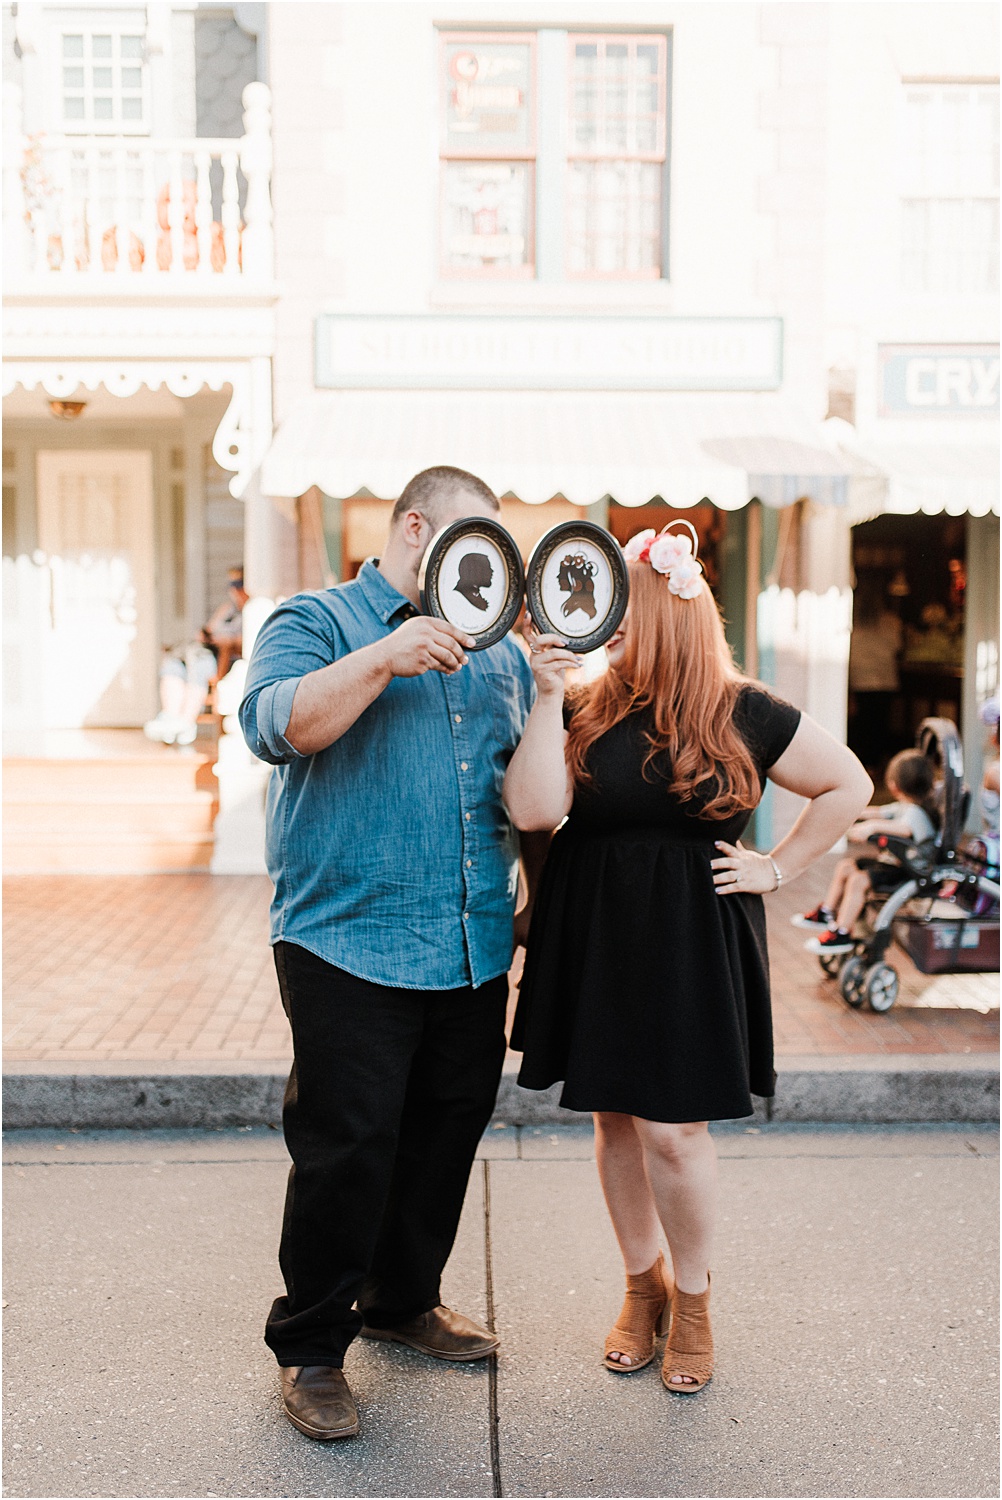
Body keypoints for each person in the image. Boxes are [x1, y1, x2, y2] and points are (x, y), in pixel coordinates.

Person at [502, 524, 871, 1395]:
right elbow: (530, 811)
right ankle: (642, 1287)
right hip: (597, 930)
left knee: (675, 1131)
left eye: (620, 606)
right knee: (615, 1121)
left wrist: (776, 868)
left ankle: (694, 1300)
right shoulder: (584, 702)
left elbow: (848, 783)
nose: (603, 621)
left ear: (668, 612)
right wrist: (548, 695)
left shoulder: (745, 709)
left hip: (690, 940)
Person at [239, 466, 540, 1442]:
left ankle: (403, 1301)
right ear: (417, 528)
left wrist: (554, 690)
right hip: (344, 939)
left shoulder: (498, 653)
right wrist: (385, 656)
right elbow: (275, 726)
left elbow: (524, 797)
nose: (488, 570)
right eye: (473, 543)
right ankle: (314, 1349)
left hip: (469, 942)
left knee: (444, 1134)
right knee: (348, 1145)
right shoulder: (318, 618)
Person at [794, 748, 938, 955]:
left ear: (893, 785)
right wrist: (848, 811)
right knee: (846, 866)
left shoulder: (915, 813)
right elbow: (877, 811)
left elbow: (904, 829)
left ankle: (842, 932)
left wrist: (872, 827)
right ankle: (827, 912)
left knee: (858, 880)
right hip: (898, 865)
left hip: (909, 870)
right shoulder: (903, 807)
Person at [144, 567, 248, 745]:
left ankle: (186, 721)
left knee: (200, 664)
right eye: (231, 585)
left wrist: (226, 641)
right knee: (173, 664)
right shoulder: (228, 609)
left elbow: (244, 642)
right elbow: (209, 629)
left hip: (225, 659)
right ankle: (170, 716)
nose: (235, 590)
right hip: (208, 651)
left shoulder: (254, 610)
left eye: (239, 585)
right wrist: (207, 636)